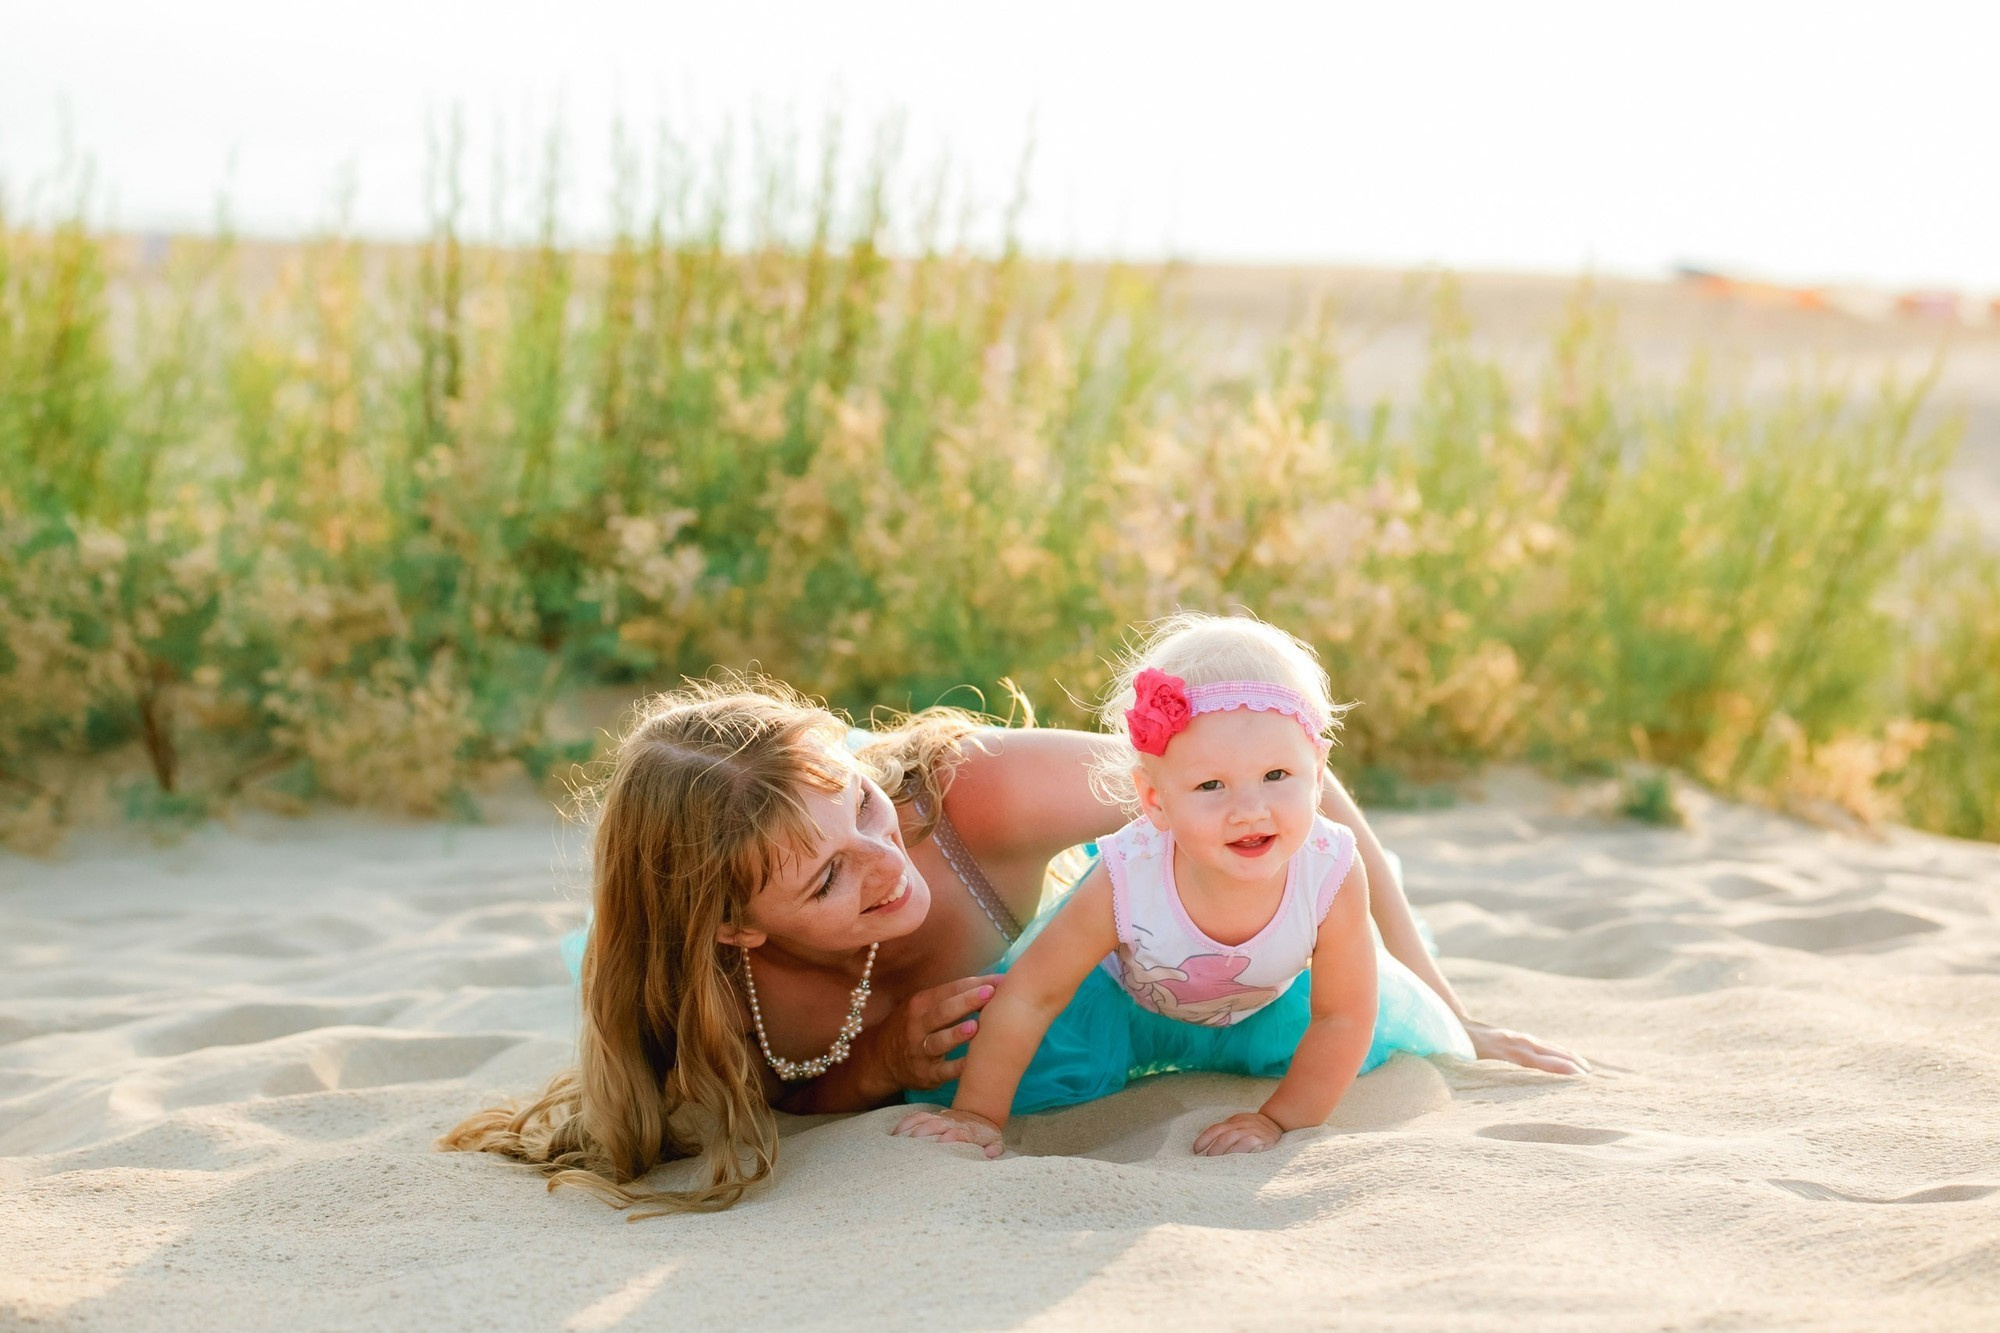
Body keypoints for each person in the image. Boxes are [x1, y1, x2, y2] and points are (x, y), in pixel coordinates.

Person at [442, 666, 1586, 1214]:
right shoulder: (708, 982)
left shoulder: (965, 801)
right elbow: (759, 1090)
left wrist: (1445, 1001)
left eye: (859, 802)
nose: (882, 860)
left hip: (1145, 961)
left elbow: (1299, 803)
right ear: (737, 924)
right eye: (831, 874)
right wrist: (876, 1067)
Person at [894, 613, 1469, 1158]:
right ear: (1155, 800)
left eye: (1276, 776)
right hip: (1122, 1005)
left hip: (1268, 1006)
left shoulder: (1332, 868)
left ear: (1317, 771)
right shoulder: (1128, 874)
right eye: (1211, 785)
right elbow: (1033, 994)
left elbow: (1341, 1015)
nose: (1250, 810)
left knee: (1346, 1040)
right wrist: (978, 1115)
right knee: (1001, 1051)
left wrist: (1278, 1119)